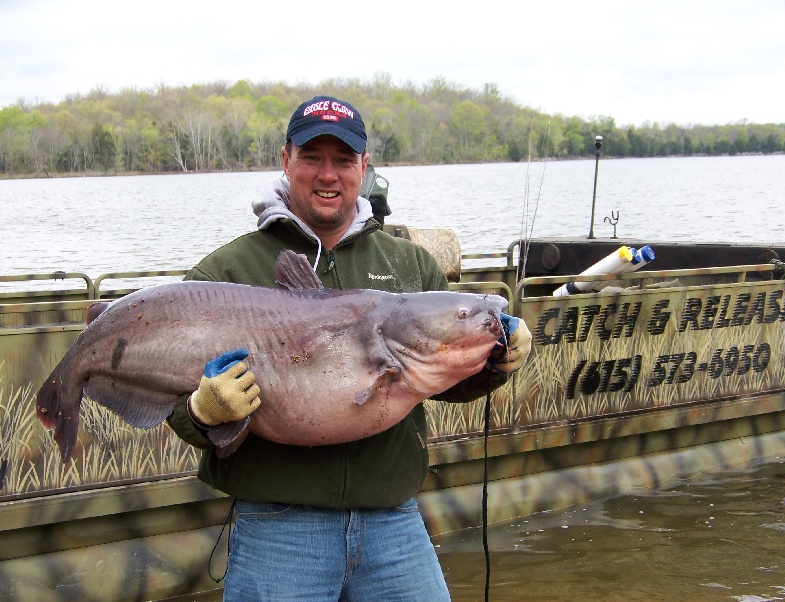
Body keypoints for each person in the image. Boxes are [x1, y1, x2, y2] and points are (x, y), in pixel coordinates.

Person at [167, 95, 532, 601]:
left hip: (393, 522)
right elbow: (174, 405)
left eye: (342, 160)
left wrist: (499, 358)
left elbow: (444, 379)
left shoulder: (410, 267)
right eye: (312, 157)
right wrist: (203, 412)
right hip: (279, 527)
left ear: (364, 166)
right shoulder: (224, 275)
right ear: (285, 160)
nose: (327, 175)